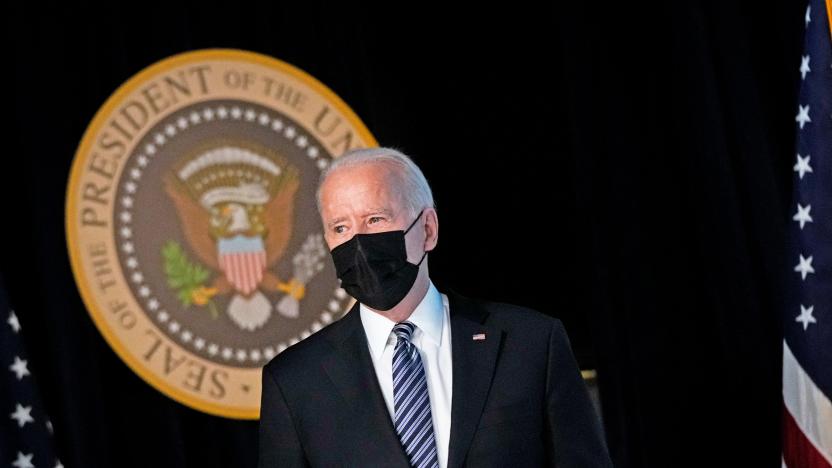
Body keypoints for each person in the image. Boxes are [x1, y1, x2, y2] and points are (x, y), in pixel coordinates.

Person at [258, 147, 612, 467]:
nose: (358, 242)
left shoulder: (532, 345)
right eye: (340, 227)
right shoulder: (294, 383)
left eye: (376, 219)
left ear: (427, 229)